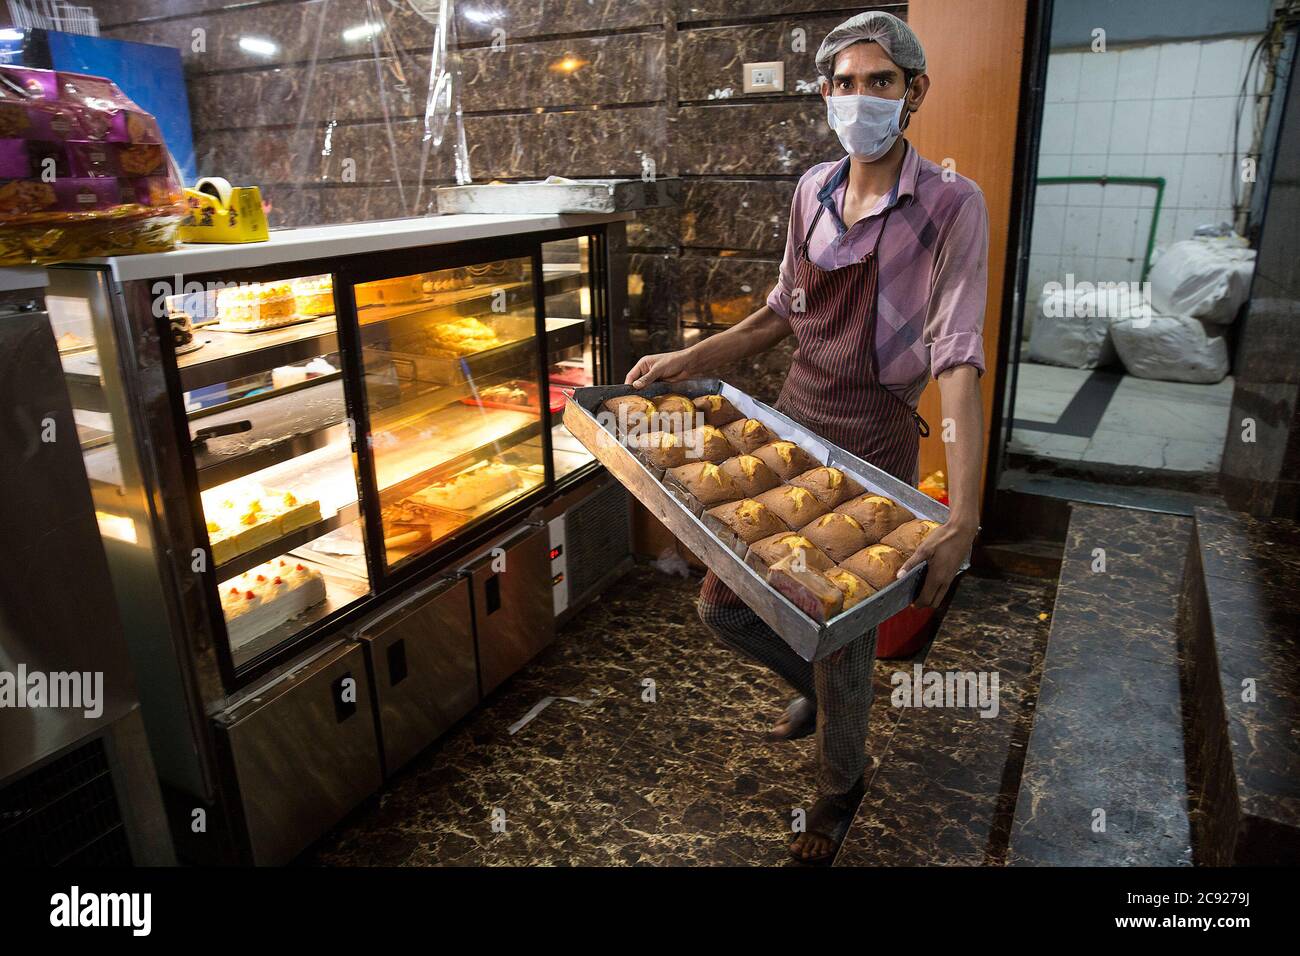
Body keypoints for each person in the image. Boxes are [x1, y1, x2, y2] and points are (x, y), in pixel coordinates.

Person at [624, 10, 988, 864]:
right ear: (825, 94)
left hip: (874, 440)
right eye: (845, 84)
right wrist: (688, 355)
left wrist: (962, 517)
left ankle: (840, 786)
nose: (861, 98)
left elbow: (960, 362)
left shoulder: (948, 206)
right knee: (729, 609)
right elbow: (775, 317)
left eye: (882, 82)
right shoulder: (814, 190)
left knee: (842, 630)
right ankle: (826, 698)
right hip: (794, 418)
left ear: (914, 92)